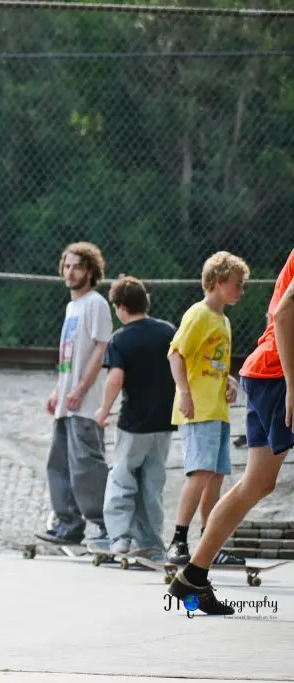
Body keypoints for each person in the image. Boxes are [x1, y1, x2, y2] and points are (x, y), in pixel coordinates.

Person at [168, 248, 294, 615]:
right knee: (250, 482)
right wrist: (291, 384)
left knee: (257, 483)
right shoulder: (201, 315)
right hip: (277, 376)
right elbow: (285, 312)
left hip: (265, 374)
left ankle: (193, 576)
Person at [163, 251, 248, 572]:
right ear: (216, 282)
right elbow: (176, 354)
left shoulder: (223, 320)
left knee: (215, 478)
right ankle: (179, 542)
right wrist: (184, 393)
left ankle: (208, 544)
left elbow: (208, 360)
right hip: (197, 409)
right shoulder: (198, 315)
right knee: (199, 474)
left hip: (218, 410)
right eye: (236, 285)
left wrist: (227, 378)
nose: (241, 291)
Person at [93, 276, 176, 557]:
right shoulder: (167, 332)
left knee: (122, 478)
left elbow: (115, 378)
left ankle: (120, 537)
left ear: (120, 307)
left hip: (134, 424)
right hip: (164, 422)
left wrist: (103, 411)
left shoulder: (120, 339)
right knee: (152, 482)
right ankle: (151, 542)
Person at [35, 242, 113, 546]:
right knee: (60, 465)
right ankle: (69, 525)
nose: (70, 272)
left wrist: (81, 388)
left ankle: (110, 524)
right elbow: (69, 356)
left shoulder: (96, 303)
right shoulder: (72, 307)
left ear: (90, 270)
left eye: (77, 266)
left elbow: (101, 348)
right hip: (66, 402)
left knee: (87, 468)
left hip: (86, 402)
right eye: (66, 266)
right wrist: (59, 390)